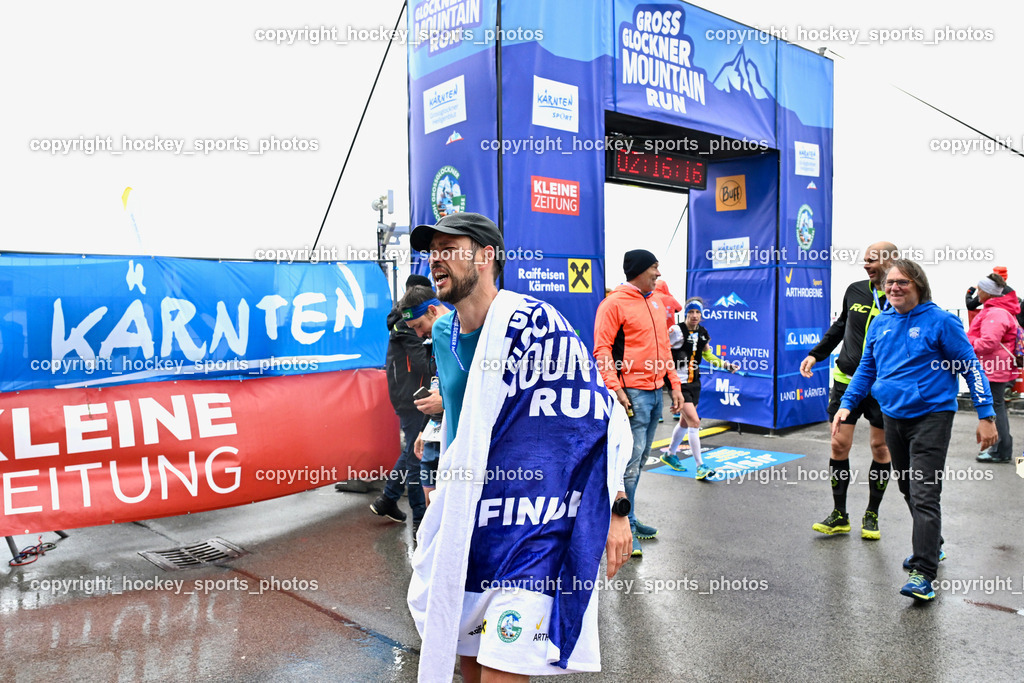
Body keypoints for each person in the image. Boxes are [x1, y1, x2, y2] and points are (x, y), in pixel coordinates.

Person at [406, 212, 633, 680]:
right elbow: (466, 406)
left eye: (449, 249)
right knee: (470, 664)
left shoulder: (535, 325)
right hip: (471, 516)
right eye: (432, 252)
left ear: (486, 256)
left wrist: (616, 506)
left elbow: (591, 417)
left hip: (533, 520)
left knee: (503, 668)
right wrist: (435, 435)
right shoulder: (444, 335)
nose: (435, 260)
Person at [834, 259, 997, 601]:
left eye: (903, 282)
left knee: (924, 492)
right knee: (907, 487)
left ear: (918, 285)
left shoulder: (941, 321)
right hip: (893, 416)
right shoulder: (881, 322)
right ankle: (932, 543)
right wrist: (847, 404)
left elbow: (971, 366)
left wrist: (986, 414)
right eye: (890, 282)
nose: (894, 287)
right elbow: (867, 368)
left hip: (932, 416)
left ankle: (923, 572)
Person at [800, 242, 898, 540]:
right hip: (846, 380)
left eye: (872, 260)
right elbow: (841, 325)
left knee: (881, 448)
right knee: (838, 445)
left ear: (890, 260)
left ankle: (872, 513)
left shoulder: (901, 295)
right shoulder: (855, 290)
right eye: (864, 260)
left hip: (882, 385)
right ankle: (840, 514)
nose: (866, 265)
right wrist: (816, 354)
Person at [594, 249, 683, 556]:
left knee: (642, 457)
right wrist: (615, 388)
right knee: (629, 462)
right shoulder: (613, 304)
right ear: (639, 271)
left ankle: (629, 516)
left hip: (655, 391)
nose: (658, 274)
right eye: (654, 268)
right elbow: (602, 350)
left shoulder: (656, 302)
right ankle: (622, 524)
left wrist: (675, 386)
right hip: (632, 393)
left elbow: (666, 350)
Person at [372, 282, 433, 527]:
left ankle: (388, 498)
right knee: (418, 454)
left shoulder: (402, 324)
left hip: (410, 394)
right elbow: (422, 364)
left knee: (412, 450)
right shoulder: (407, 327)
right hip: (412, 397)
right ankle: (420, 518)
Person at [661, 297, 738, 480]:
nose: (694, 316)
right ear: (686, 313)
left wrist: (725, 365)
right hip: (678, 384)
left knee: (685, 422)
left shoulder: (702, 333)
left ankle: (670, 454)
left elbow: (708, 355)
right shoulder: (676, 331)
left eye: (697, 312)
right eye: (691, 312)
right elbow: (662, 351)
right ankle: (700, 466)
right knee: (695, 422)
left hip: (694, 383)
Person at [395, 284, 448, 500]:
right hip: (434, 435)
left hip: (456, 441)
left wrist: (445, 404)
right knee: (430, 506)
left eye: (418, 326)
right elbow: (437, 385)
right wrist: (423, 431)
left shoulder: (464, 333)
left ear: (432, 311)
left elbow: (481, 390)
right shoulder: (434, 339)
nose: (418, 334)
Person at [967, 273, 1020, 464]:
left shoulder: (995, 313)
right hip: (997, 365)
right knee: (998, 406)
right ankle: (1000, 448)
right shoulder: (999, 310)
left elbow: (988, 343)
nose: (977, 293)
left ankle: (1001, 451)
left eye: (980, 290)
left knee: (996, 407)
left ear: (988, 292)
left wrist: (967, 343)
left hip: (994, 367)